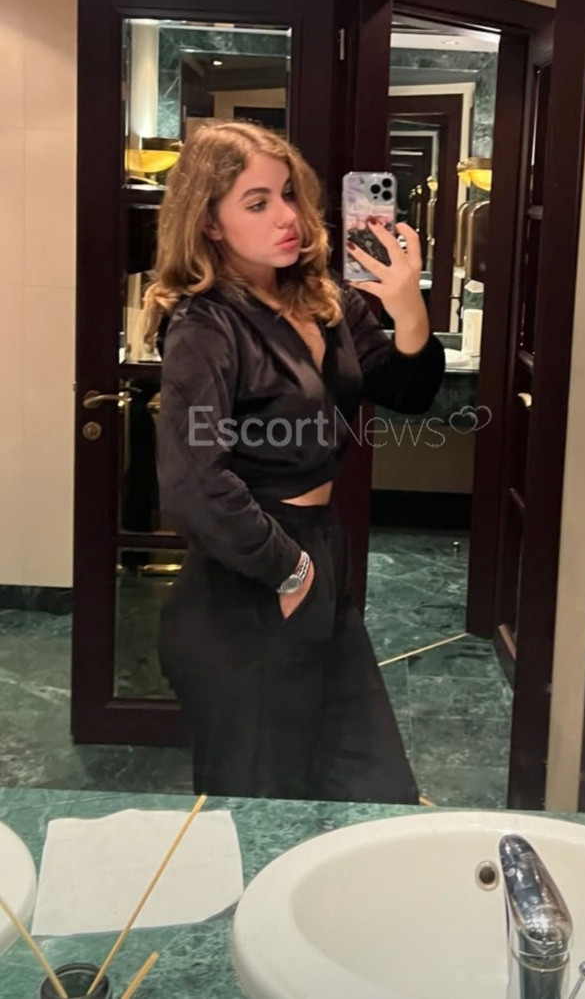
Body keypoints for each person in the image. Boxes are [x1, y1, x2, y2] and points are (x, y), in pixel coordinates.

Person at [143, 120, 445, 803]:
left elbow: (408, 391)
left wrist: (407, 307)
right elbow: (193, 483)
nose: (287, 217)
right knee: (259, 801)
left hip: (319, 559)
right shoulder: (205, 324)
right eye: (257, 203)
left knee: (374, 790)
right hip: (249, 579)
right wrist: (290, 568)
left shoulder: (322, 299)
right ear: (210, 222)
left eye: (288, 194)